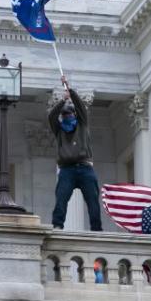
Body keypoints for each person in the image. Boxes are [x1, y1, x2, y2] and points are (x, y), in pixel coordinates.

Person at [49, 76, 101, 231]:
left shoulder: (82, 124)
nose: (67, 117)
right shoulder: (58, 129)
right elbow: (51, 116)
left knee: (92, 200)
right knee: (61, 198)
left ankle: (96, 228)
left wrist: (69, 91)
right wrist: (62, 101)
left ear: (74, 115)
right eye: (64, 115)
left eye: (70, 114)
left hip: (85, 167)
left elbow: (81, 107)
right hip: (67, 170)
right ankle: (58, 225)